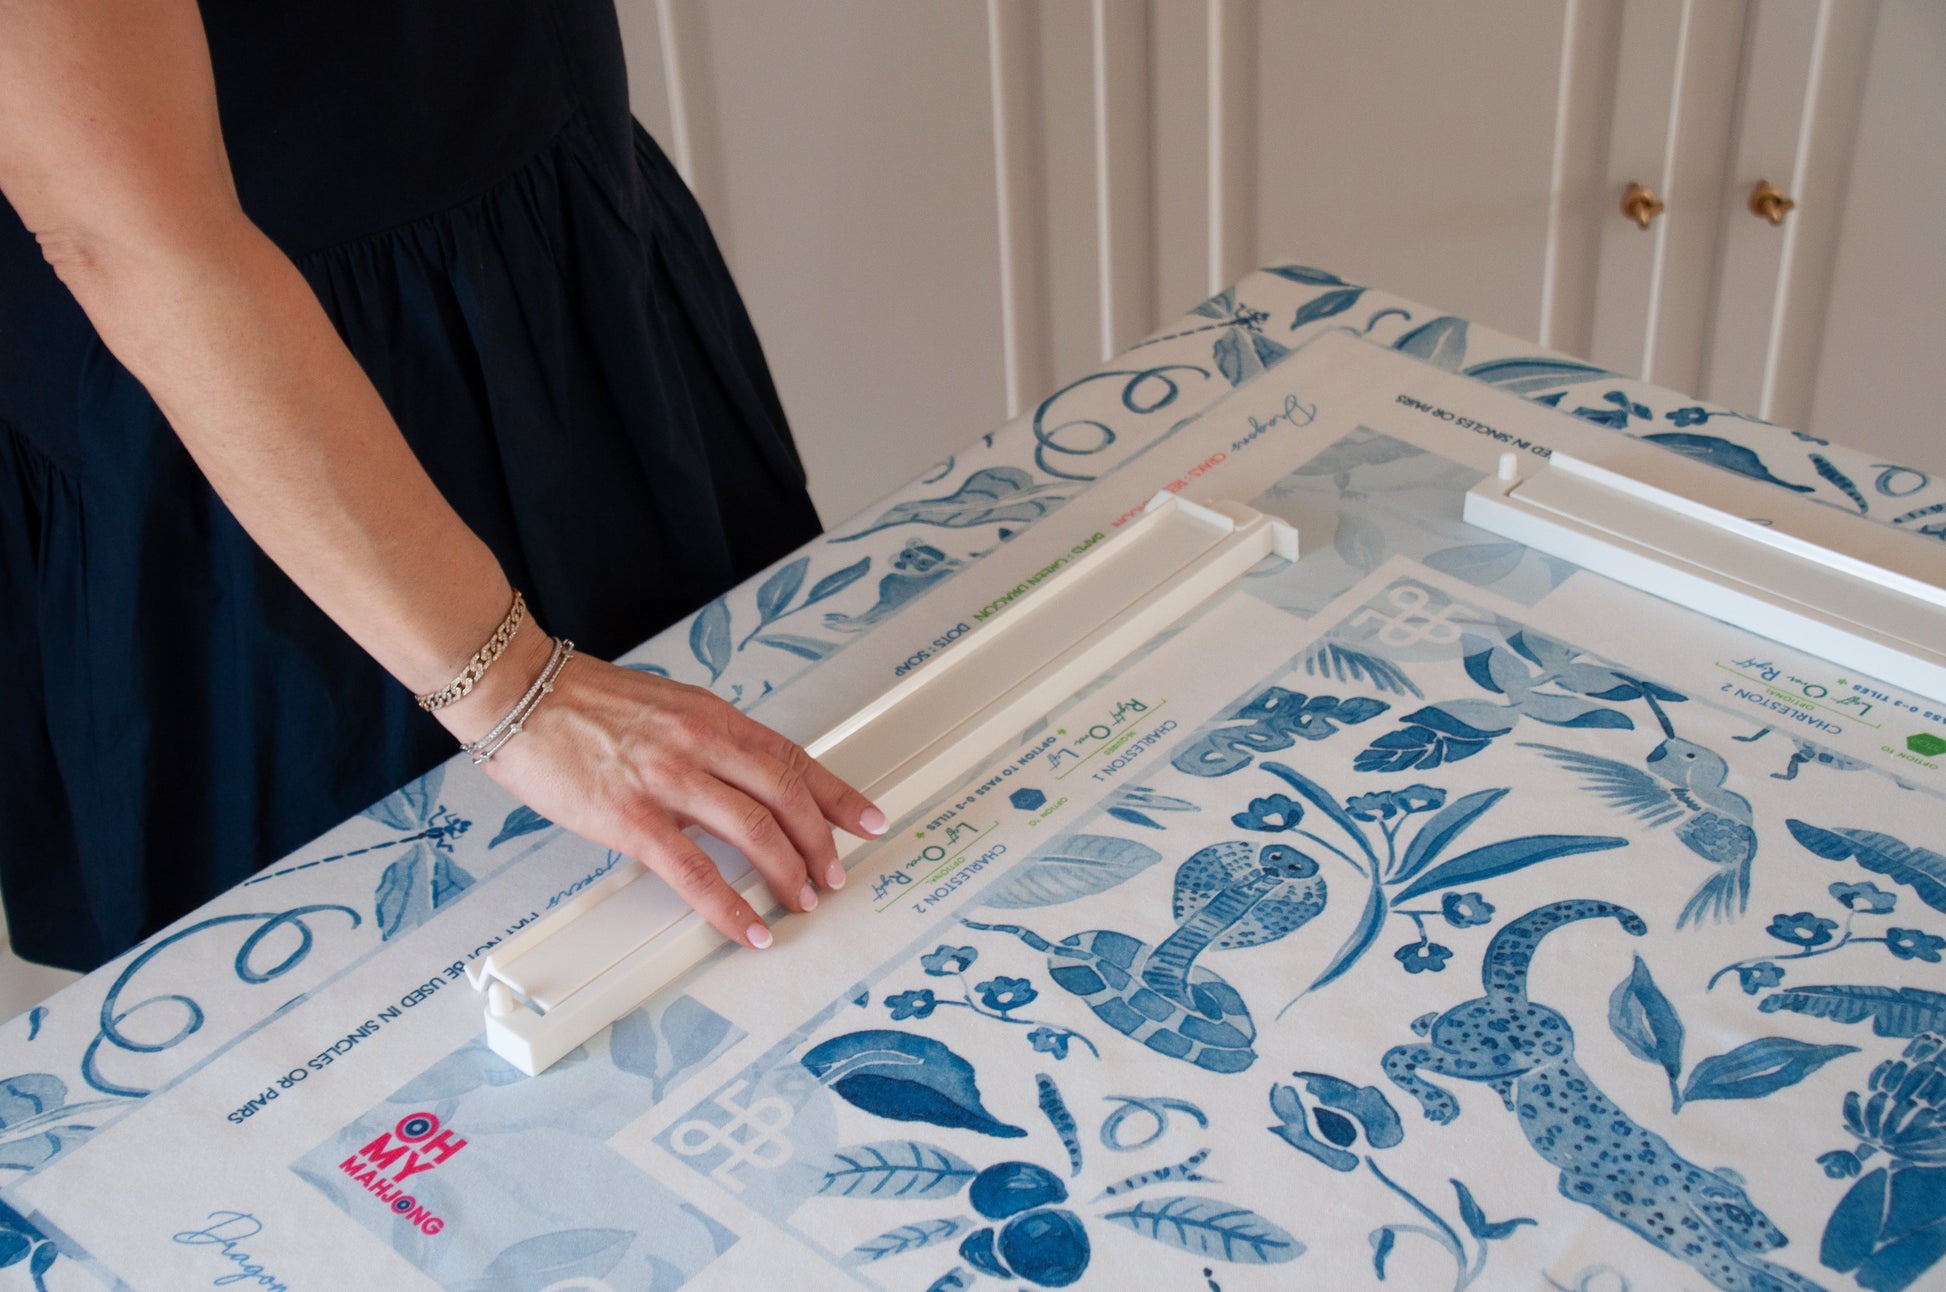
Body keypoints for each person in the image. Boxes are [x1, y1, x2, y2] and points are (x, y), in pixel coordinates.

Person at [0, 0, 882, 973]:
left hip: (565, 281)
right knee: (406, 1017)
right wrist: (513, 688)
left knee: (784, 902)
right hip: (261, 460)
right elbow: (125, 237)